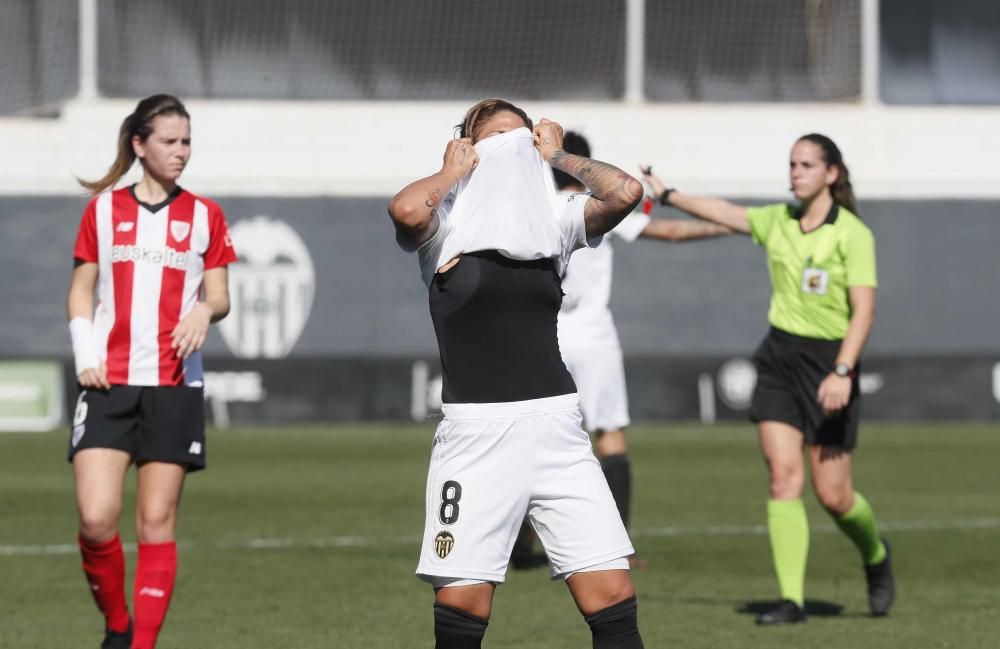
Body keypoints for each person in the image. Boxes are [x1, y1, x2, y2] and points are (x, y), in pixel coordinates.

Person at [388, 99, 646, 648]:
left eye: (521, 135)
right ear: (469, 146)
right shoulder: (446, 224)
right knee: (462, 606)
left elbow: (625, 192)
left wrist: (555, 154)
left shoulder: (555, 220)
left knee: (613, 599)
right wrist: (453, 169)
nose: (512, 146)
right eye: (496, 137)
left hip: (557, 429)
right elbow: (407, 212)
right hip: (475, 436)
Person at [643, 134, 895, 624]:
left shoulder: (853, 234)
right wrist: (670, 195)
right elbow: (724, 212)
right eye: (792, 164)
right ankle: (791, 600)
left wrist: (843, 370)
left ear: (832, 174)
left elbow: (864, 310)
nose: (795, 172)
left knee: (835, 496)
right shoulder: (777, 220)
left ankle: (875, 555)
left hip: (830, 366)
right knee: (783, 479)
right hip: (779, 358)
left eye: (806, 165)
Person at [511, 132, 732, 570]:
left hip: (540, 334)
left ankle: (517, 547)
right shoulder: (599, 204)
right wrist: (728, 224)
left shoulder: (530, 206)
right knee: (609, 435)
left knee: (529, 439)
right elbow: (666, 231)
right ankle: (615, 548)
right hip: (592, 336)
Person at [67, 94, 236, 649]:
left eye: (187, 141)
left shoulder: (205, 214)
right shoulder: (103, 211)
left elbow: (220, 296)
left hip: (174, 385)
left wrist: (203, 310)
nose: (181, 152)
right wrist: (84, 351)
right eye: (169, 141)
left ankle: (137, 646)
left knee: (155, 525)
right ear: (139, 145)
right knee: (95, 519)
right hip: (108, 381)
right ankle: (117, 624)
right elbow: (81, 290)